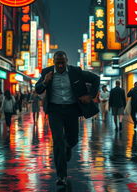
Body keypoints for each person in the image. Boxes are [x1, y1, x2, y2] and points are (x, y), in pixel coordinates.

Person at [35, 51, 100, 186]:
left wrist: (90, 96)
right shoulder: (47, 72)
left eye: (62, 62)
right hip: (55, 111)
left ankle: (68, 146)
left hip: (71, 110)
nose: (60, 65)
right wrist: (45, 82)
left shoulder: (76, 71)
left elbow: (95, 78)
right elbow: (38, 89)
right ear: (53, 62)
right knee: (58, 141)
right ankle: (61, 176)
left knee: (73, 139)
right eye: (57, 63)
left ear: (67, 61)